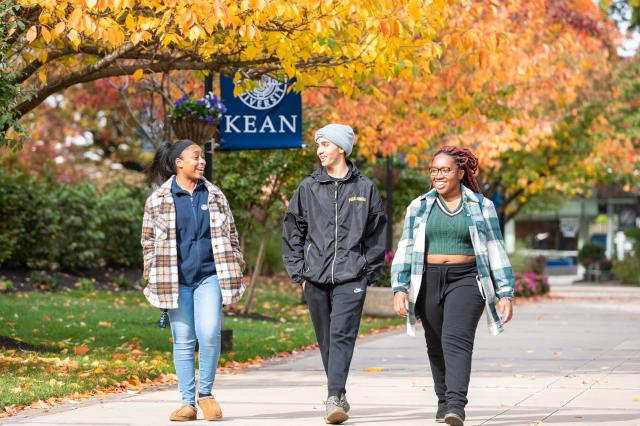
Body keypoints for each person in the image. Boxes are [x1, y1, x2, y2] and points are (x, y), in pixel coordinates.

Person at [391, 146, 514, 426]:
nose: (438, 175)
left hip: (467, 278)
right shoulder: (419, 206)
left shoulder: (481, 206)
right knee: (435, 343)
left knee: (455, 340)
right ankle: (443, 400)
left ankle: (456, 405)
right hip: (428, 278)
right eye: (434, 170)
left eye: (445, 170)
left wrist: (505, 293)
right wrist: (399, 287)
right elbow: (405, 247)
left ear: (460, 173)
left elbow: (496, 248)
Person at [282, 124, 387, 424]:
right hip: (314, 277)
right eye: (318, 146)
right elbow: (292, 230)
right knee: (326, 339)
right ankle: (338, 393)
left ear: (342, 148)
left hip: (352, 276)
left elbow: (377, 234)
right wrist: (299, 273)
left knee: (342, 335)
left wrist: (368, 272)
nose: (320, 150)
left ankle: (332, 398)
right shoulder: (308, 187)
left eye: (325, 144)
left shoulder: (364, 188)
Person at [141, 139, 245, 422]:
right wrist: (152, 271)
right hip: (175, 280)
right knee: (183, 340)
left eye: (202, 157)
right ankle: (187, 403)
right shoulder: (158, 200)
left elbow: (232, 235)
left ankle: (206, 394)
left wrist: (236, 262)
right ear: (179, 163)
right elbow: (147, 241)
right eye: (196, 157)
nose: (202, 162)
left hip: (209, 276)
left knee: (210, 332)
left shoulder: (214, 195)